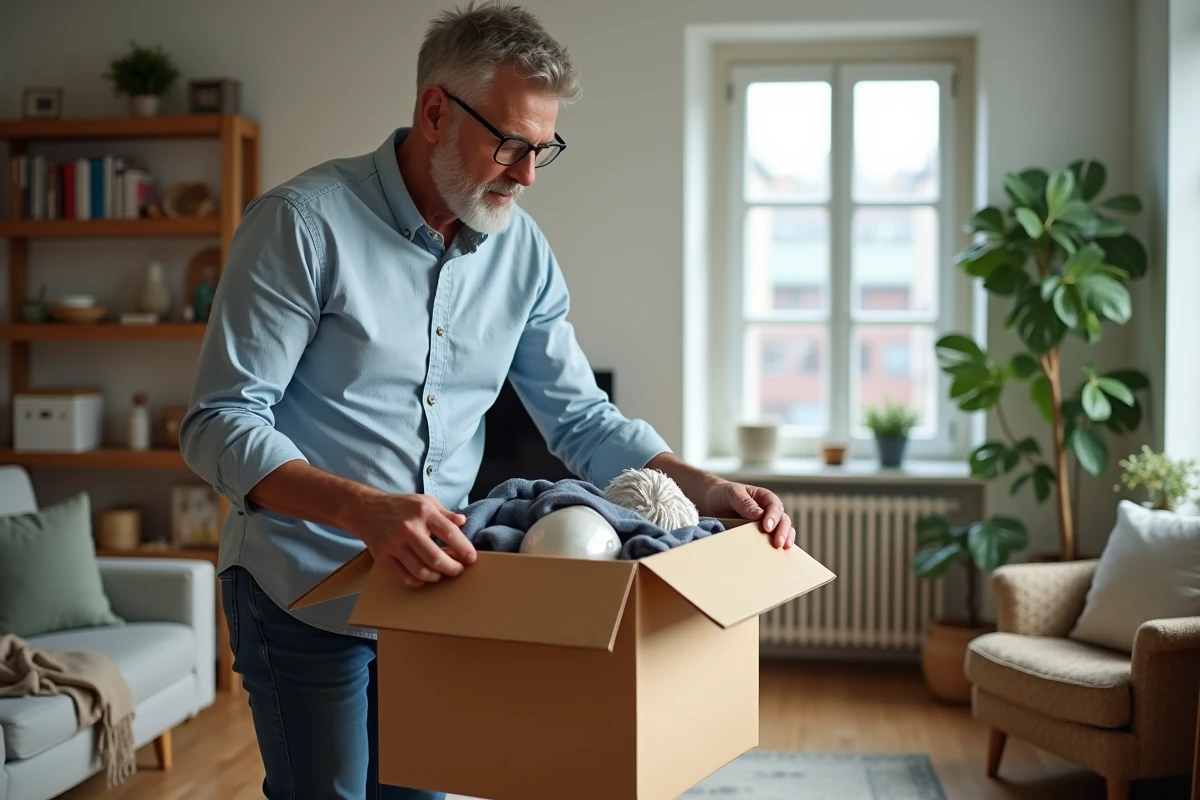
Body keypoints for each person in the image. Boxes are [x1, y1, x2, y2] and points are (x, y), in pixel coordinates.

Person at [179, 3, 795, 798]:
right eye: (510, 144)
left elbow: (579, 417)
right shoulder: (302, 226)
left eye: (544, 150)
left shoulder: (523, 253)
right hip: (297, 585)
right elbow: (219, 421)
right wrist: (366, 509)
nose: (527, 174)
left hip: (435, 593)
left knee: (427, 788)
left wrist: (699, 486)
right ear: (435, 111)